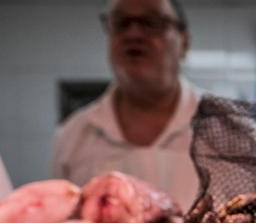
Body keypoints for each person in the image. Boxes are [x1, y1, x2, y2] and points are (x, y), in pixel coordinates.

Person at [51, 0, 201, 209]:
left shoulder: (229, 130)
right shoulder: (73, 136)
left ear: (184, 42)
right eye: (121, 23)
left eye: (151, 22)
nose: (133, 34)